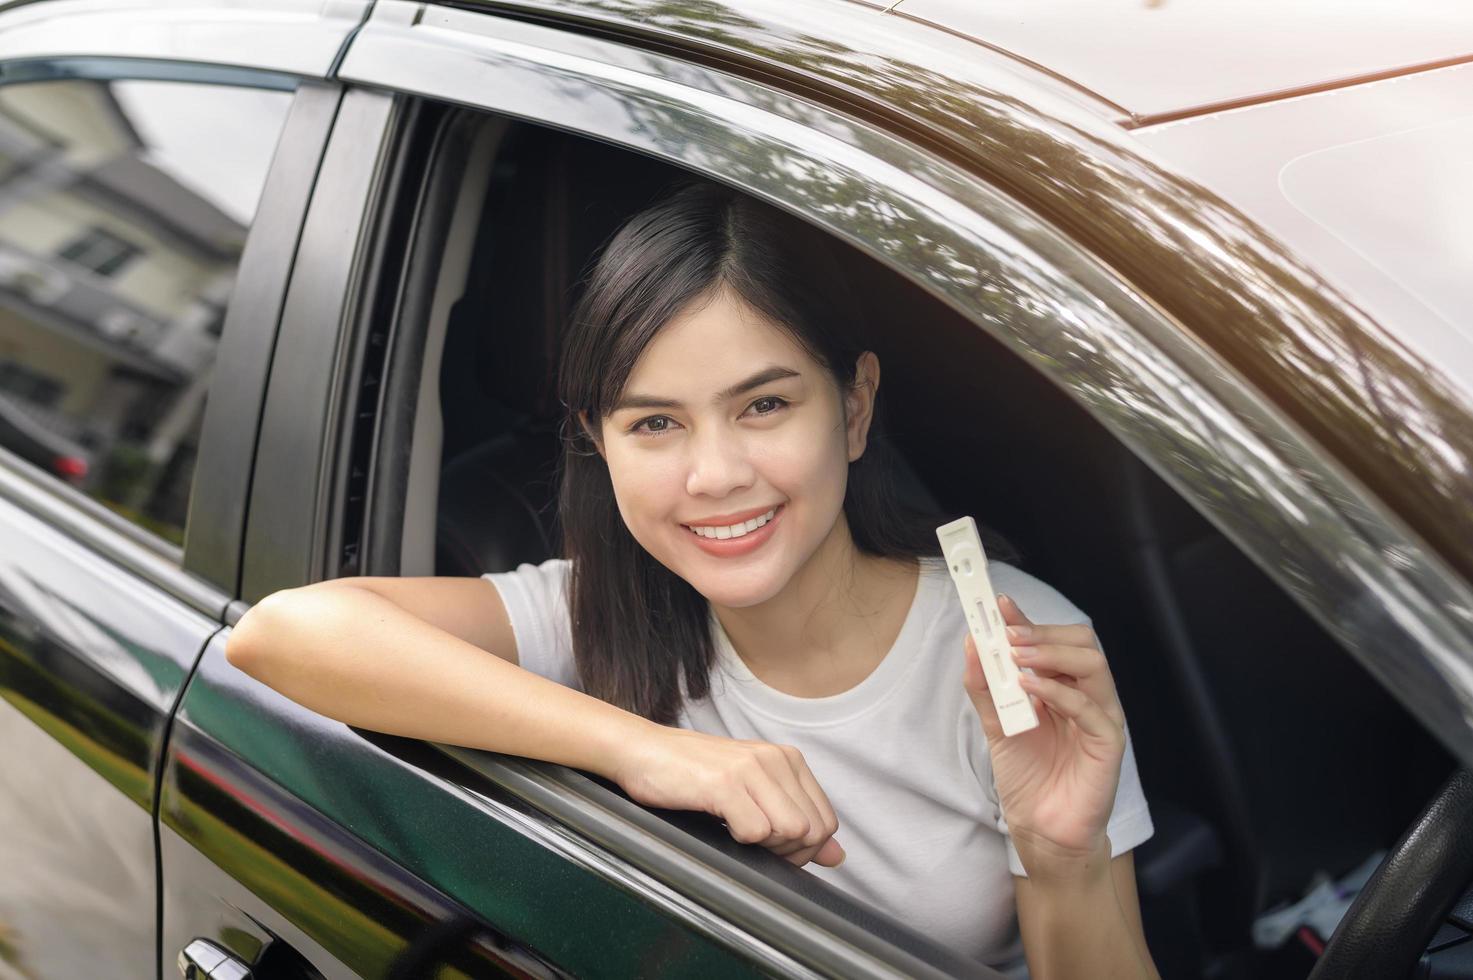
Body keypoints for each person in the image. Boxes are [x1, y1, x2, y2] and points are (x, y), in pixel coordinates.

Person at [227, 181, 1158, 977]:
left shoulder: (1004, 641)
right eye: (655, 425)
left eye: (763, 404)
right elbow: (283, 633)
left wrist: (1062, 855)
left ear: (855, 405)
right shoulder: (592, 612)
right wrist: (647, 749)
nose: (714, 476)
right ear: (599, 442)